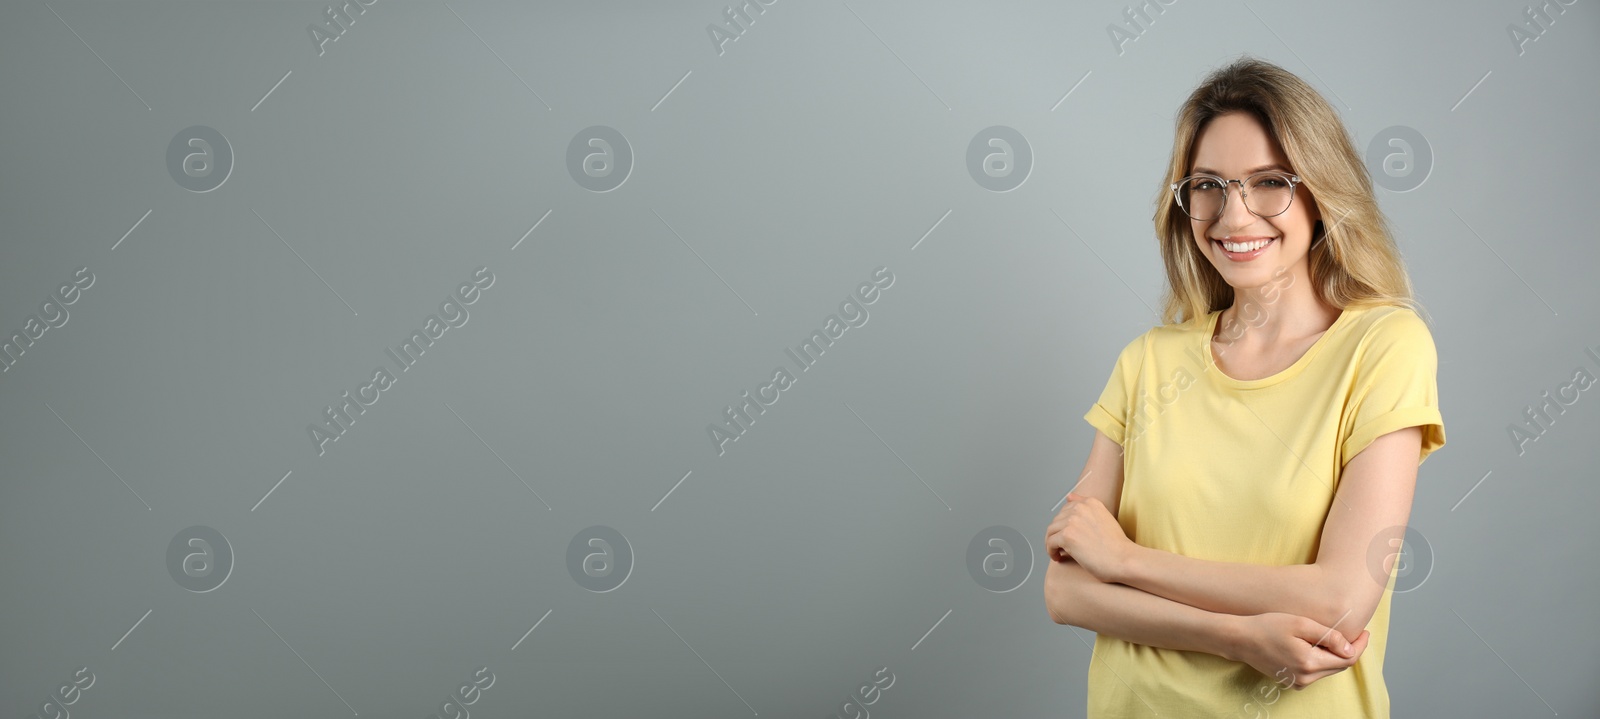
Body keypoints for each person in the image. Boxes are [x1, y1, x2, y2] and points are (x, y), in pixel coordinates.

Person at [1042, 55, 1446, 718]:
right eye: (1208, 186)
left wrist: (1123, 560)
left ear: (1322, 194)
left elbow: (1342, 598)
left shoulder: (1384, 346)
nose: (1234, 215)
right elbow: (1066, 591)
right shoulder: (1148, 361)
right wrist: (1238, 635)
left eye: (1269, 183)